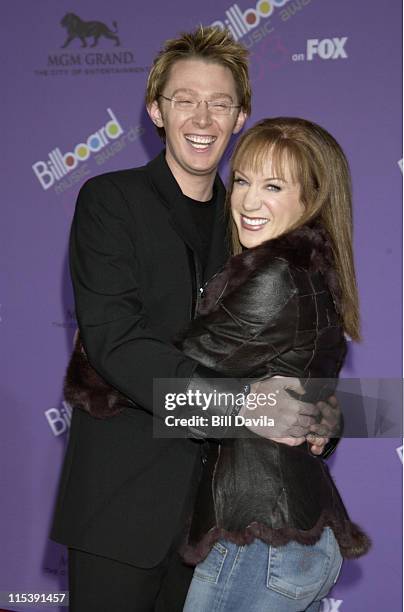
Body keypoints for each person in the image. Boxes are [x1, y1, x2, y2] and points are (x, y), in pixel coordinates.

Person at [51, 27, 339, 612]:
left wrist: (325, 412)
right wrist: (248, 405)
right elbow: (117, 345)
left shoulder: (252, 220)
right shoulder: (111, 201)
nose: (202, 116)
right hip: (120, 510)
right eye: (185, 99)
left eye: (220, 102)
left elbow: (297, 351)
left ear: (240, 117)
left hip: (219, 528)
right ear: (157, 111)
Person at [175, 117, 371, 612]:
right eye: (241, 180)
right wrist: (329, 415)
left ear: (313, 199)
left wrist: (105, 351)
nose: (247, 200)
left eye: (273, 186)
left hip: (258, 544)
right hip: (292, 540)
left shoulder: (275, 278)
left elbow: (168, 385)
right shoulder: (313, 275)